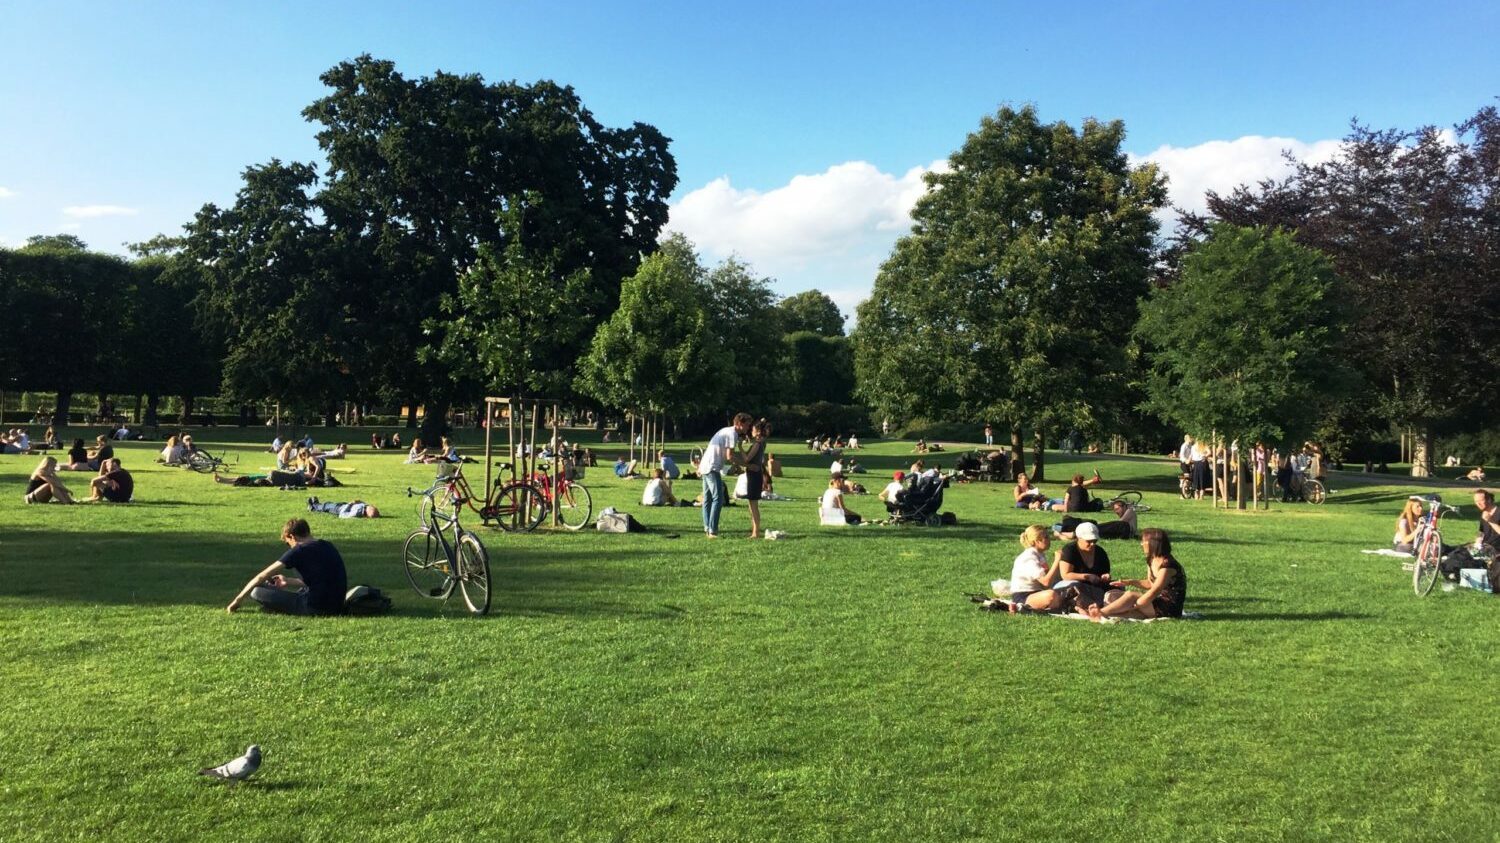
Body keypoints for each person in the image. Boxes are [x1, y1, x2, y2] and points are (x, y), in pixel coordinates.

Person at [227, 518, 348, 615]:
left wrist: (237, 601)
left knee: (257, 591)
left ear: (292, 537)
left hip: (314, 607)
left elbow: (262, 576)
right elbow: (321, 579)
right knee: (300, 591)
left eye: (287, 542)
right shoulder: (327, 545)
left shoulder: (299, 550)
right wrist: (287, 581)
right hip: (336, 605)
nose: (289, 546)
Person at [1086, 528, 1189, 621]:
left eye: (1143, 542)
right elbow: (1150, 583)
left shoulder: (1168, 565)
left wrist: (1137, 603)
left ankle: (1100, 613)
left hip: (1168, 606)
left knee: (1130, 595)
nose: (1141, 544)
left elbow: (1155, 590)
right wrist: (1129, 582)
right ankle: (1100, 615)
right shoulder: (1151, 559)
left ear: (1153, 543)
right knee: (1113, 596)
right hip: (1155, 602)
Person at [697, 413, 752, 538]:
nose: (748, 427)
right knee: (718, 498)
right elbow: (730, 456)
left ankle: (707, 528)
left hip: (706, 465)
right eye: (747, 425)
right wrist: (746, 465)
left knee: (708, 498)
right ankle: (712, 530)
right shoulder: (732, 433)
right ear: (739, 423)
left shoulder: (727, 431)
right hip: (712, 467)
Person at [1439, 489, 1500, 583]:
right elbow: (1481, 532)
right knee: (1458, 550)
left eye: (1480, 501)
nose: (1478, 504)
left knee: (1462, 555)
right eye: (1476, 502)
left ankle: (1451, 568)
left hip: (1494, 549)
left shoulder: (1498, 512)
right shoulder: (1484, 513)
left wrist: (1491, 521)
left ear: (1489, 500)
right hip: (1483, 546)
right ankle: (1443, 559)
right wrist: (1478, 541)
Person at [1007, 525, 1064, 612]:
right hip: (1024, 596)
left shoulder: (1040, 555)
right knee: (1051, 595)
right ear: (1036, 541)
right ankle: (1021, 607)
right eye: (1046, 537)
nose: (1049, 540)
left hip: (1038, 592)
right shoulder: (1028, 558)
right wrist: (1057, 561)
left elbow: (1049, 578)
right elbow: (1046, 582)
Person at [1057, 522, 1113, 610]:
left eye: (1095, 541)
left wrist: (1105, 576)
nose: (1093, 544)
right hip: (1076, 585)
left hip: (1096, 587)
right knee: (1074, 588)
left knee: (1117, 586)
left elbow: (1105, 572)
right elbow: (1065, 575)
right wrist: (1086, 577)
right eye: (1089, 541)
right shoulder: (1070, 551)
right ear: (1079, 538)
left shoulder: (1100, 552)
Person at [741, 419, 771, 538]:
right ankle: (754, 529)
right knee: (751, 504)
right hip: (754, 474)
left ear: (758, 431)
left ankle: (756, 532)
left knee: (753, 505)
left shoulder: (758, 444)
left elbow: (747, 459)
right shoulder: (761, 442)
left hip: (754, 475)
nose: (751, 431)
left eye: (753, 429)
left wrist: (740, 447)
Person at [306, 496, 380, 518]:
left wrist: (350, 504)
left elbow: (342, 515)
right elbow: (362, 503)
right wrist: (357, 501)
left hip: (339, 509)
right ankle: (316, 505)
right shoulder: (365, 507)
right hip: (343, 505)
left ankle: (313, 506)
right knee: (328, 504)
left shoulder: (357, 513)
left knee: (326, 506)